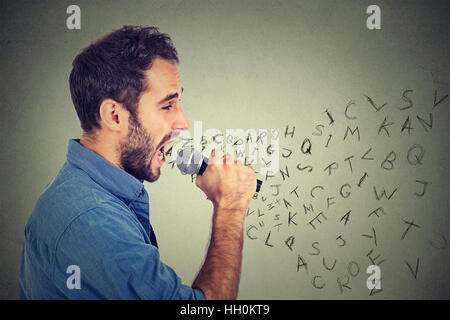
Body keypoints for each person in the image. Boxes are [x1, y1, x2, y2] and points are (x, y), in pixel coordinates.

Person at [19, 26, 256, 300]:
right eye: (168, 106)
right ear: (114, 116)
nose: (183, 123)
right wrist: (231, 206)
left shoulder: (78, 191)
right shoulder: (93, 220)